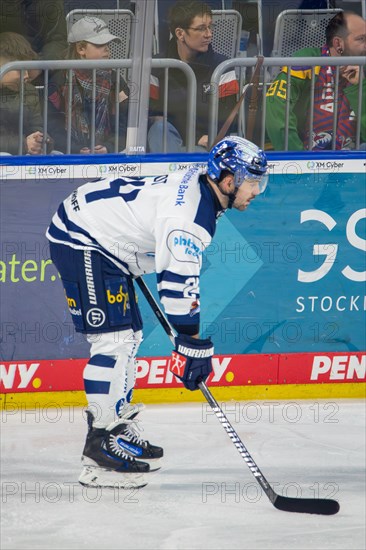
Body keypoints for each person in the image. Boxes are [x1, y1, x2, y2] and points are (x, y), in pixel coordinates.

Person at [46, 136, 268, 488]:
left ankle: (115, 428)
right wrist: (190, 344)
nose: (257, 190)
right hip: (82, 237)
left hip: (105, 236)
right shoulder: (188, 217)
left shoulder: (203, 188)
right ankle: (98, 449)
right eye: (254, 182)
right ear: (229, 181)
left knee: (129, 337)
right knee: (113, 342)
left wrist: (188, 343)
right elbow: (178, 282)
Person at [265, 11, 366, 151]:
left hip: (357, 159)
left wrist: (359, 87)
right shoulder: (306, 62)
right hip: (306, 157)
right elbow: (276, 109)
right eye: (361, 39)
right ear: (338, 44)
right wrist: (297, 157)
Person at [148, 0, 239, 152]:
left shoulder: (223, 67)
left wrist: (208, 138)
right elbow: (152, 116)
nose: (209, 34)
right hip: (167, 142)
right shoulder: (157, 66)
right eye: (201, 29)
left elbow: (228, 118)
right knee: (159, 128)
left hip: (204, 145)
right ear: (180, 33)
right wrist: (193, 137)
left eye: (210, 27)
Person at [48, 16, 130, 154]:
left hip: (110, 152)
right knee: (54, 154)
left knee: (127, 152)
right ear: (81, 49)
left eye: (108, 44)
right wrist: (75, 149)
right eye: (100, 44)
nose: (107, 49)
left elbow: (125, 123)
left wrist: (109, 147)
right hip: (67, 152)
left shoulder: (116, 80)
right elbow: (52, 126)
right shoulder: (58, 81)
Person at [0, 32, 54, 155]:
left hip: (24, 153)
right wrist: (23, 144)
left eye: (28, 69)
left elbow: (37, 127)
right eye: (20, 70)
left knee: (56, 154)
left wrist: (42, 141)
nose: (27, 76)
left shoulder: (29, 91)